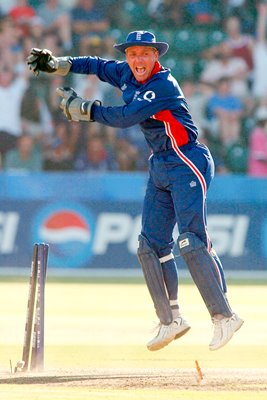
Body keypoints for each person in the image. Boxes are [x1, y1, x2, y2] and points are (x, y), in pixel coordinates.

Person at [26, 30, 244, 352]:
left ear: (156, 56)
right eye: (132, 54)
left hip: (187, 160)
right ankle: (170, 320)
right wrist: (59, 64)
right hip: (160, 164)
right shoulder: (127, 72)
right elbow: (97, 66)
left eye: (145, 54)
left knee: (192, 241)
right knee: (149, 245)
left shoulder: (162, 86)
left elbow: (126, 117)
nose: (138, 60)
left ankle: (224, 316)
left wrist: (86, 110)